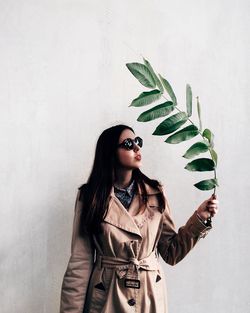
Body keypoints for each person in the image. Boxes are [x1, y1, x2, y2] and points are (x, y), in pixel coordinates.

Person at [60, 124, 219, 313]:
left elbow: (171, 252)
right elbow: (80, 263)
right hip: (107, 296)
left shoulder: (156, 193)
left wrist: (199, 218)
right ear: (110, 152)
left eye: (138, 142)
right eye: (128, 144)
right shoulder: (90, 197)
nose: (137, 147)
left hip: (149, 297)